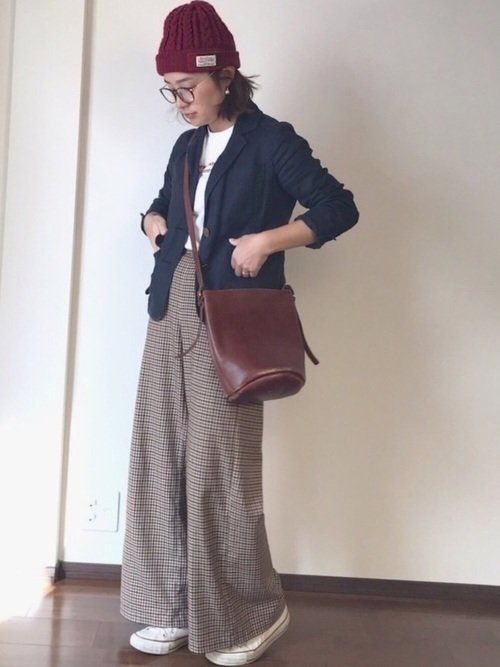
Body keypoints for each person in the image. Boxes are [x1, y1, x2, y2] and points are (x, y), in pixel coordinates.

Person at [119, 1, 360, 664]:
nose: (180, 103)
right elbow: (164, 205)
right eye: (170, 90)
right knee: (159, 456)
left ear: (224, 75)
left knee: (219, 467)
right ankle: (169, 605)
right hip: (170, 309)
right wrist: (152, 223)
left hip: (232, 314)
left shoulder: (271, 141)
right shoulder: (186, 145)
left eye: (187, 87)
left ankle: (252, 612)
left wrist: (268, 240)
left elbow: (339, 207)